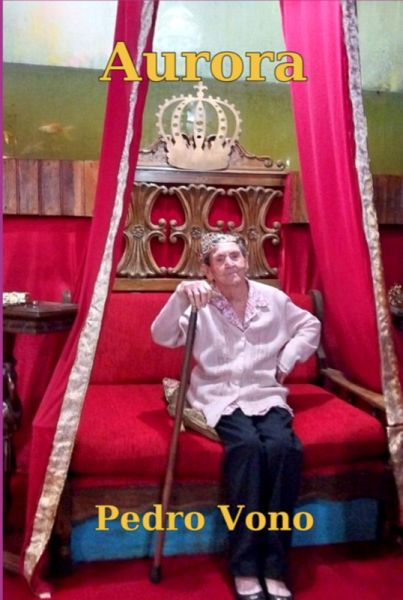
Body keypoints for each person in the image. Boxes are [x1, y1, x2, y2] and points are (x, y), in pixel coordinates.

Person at [151, 233, 321, 600]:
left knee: (284, 449)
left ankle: (274, 567)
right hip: (218, 397)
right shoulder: (199, 302)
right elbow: (162, 336)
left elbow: (310, 325)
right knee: (246, 449)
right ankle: (244, 567)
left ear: (246, 261)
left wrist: (286, 359)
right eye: (220, 259)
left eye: (235, 256)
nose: (230, 263)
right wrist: (180, 295)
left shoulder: (273, 299)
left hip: (265, 394)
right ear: (207, 271)